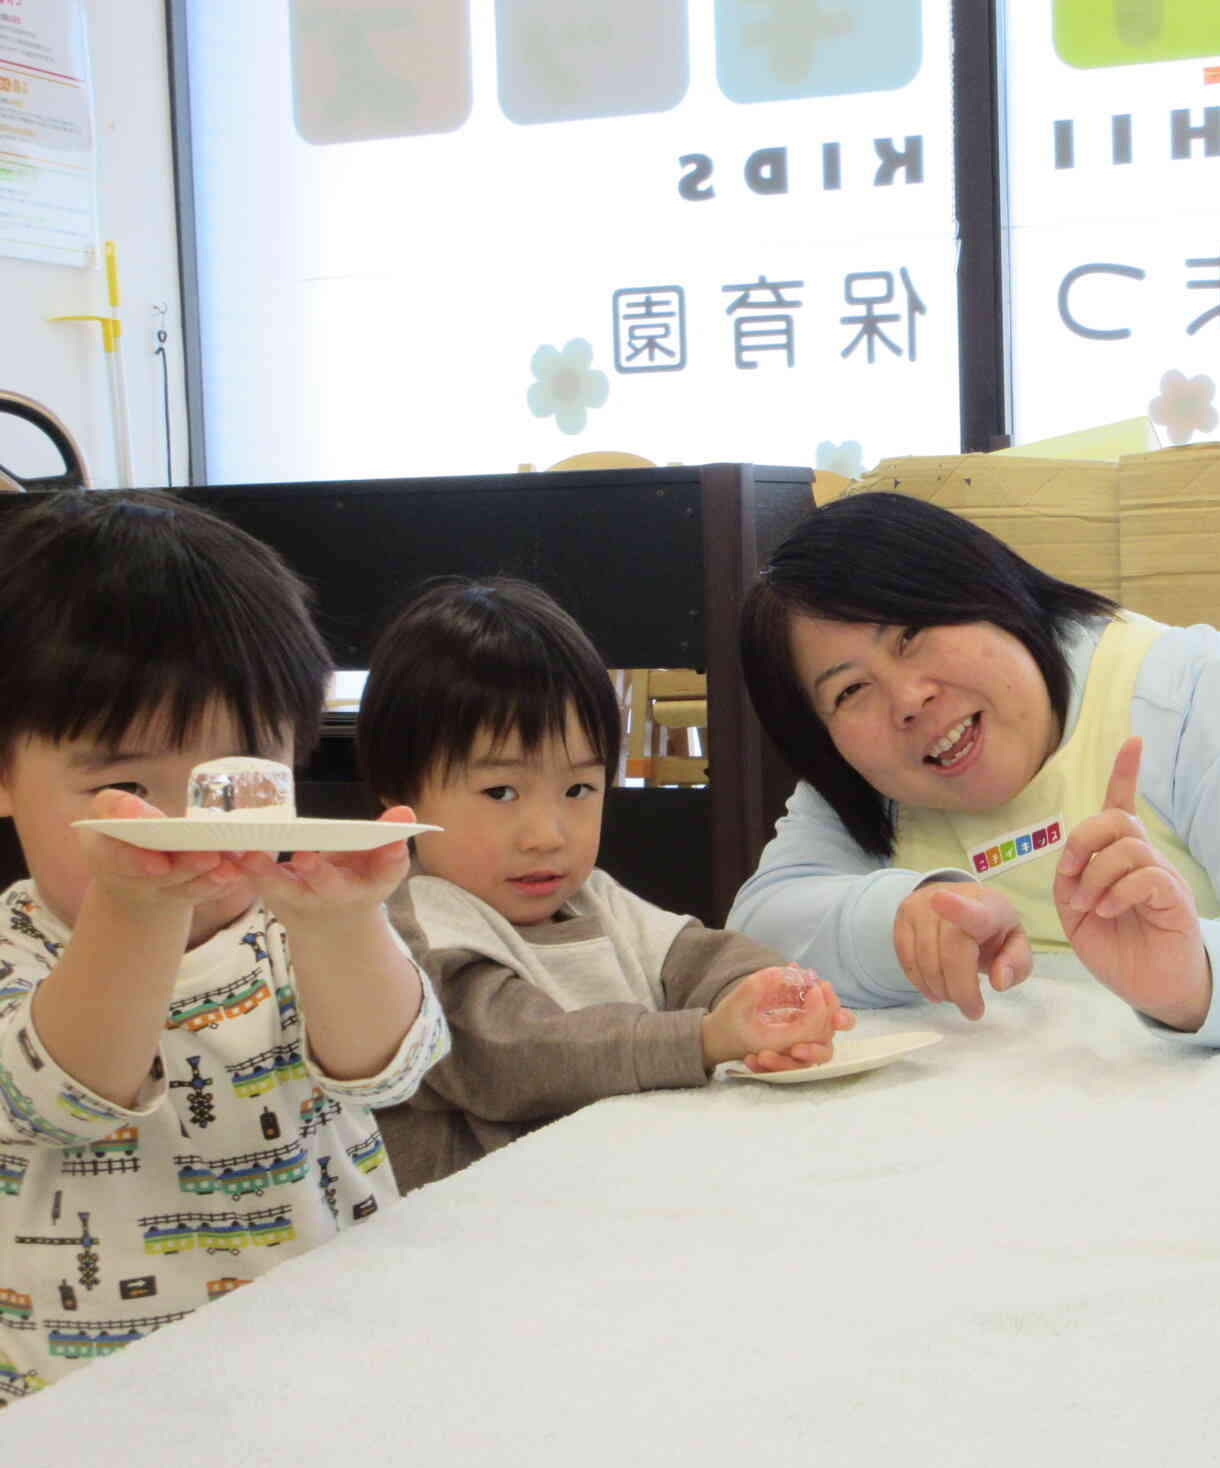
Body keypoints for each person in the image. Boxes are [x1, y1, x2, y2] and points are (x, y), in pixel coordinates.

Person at [0, 489, 448, 1409]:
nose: (181, 830)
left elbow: (387, 1072)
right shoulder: (20, 949)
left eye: (231, 783)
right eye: (127, 782)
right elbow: (64, 1097)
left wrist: (345, 925)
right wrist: (134, 911)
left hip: (323, 1365)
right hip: (79, 1404)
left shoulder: (295, 917)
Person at [729, 490, 1220, 1051]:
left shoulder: (1192, 688)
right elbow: (760, 931)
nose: (908, 700)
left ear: (991, 593)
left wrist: (1196, 976)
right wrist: (900, 921)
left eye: (915, 635)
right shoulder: (866, 780)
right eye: (849, 691)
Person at [354, 576, 853, 1194]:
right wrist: (704, 1038)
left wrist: (774, 995)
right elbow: (512, 1053)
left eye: (578, 790)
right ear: (399, 794)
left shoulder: (588, 897)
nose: (546, 834)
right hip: (479, 1236)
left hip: (614, 1197)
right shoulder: (407, 925)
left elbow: (698, 955)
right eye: (500, 792)